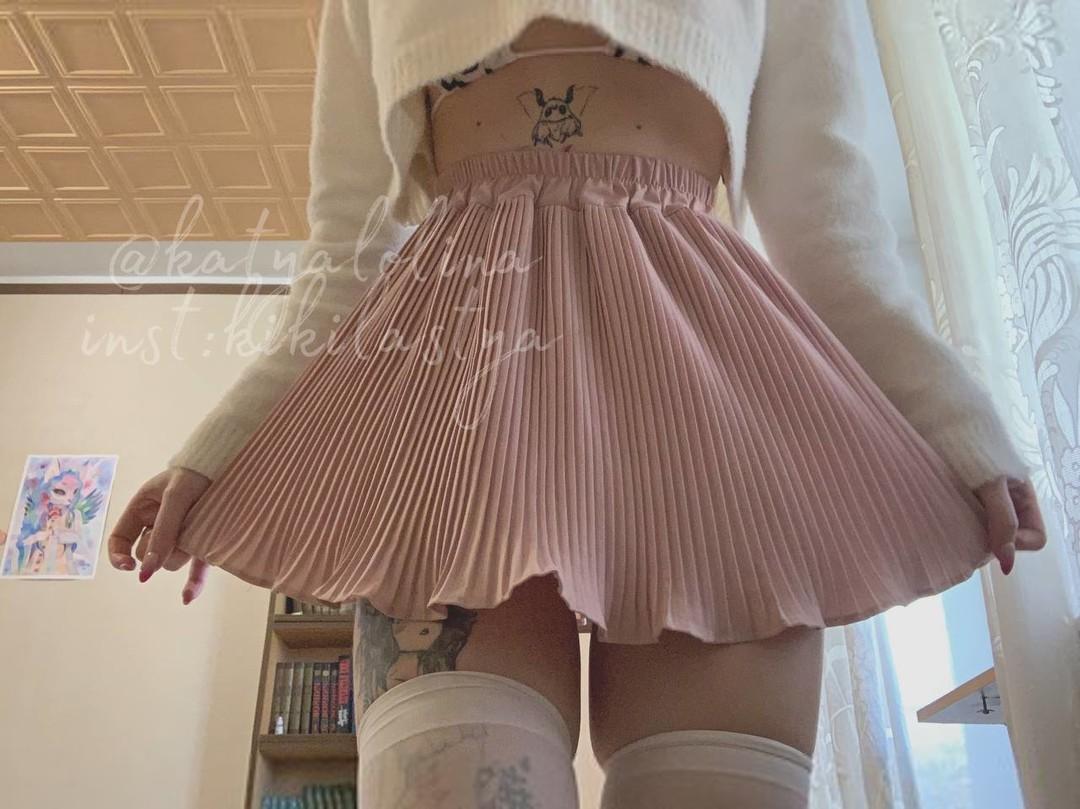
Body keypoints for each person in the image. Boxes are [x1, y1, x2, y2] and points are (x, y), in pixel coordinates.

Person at [109, 2, 1048, 806]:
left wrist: (957, 426)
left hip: (705, 407)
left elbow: (830, 230)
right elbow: (346, 246)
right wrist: (221, 448)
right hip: (460, 411)